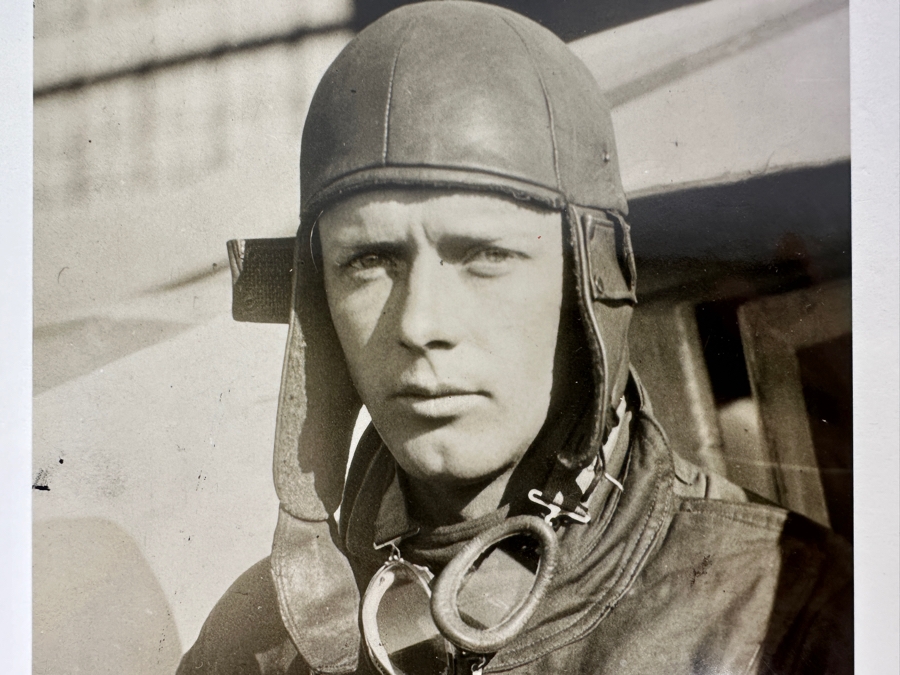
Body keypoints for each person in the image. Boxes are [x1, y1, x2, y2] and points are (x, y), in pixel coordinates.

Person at [178, 3, 852, 673]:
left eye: (484, 256)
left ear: (587, 285)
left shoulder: (791, 618)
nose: (419, 325)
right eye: (370, 261)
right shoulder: (256, 640)